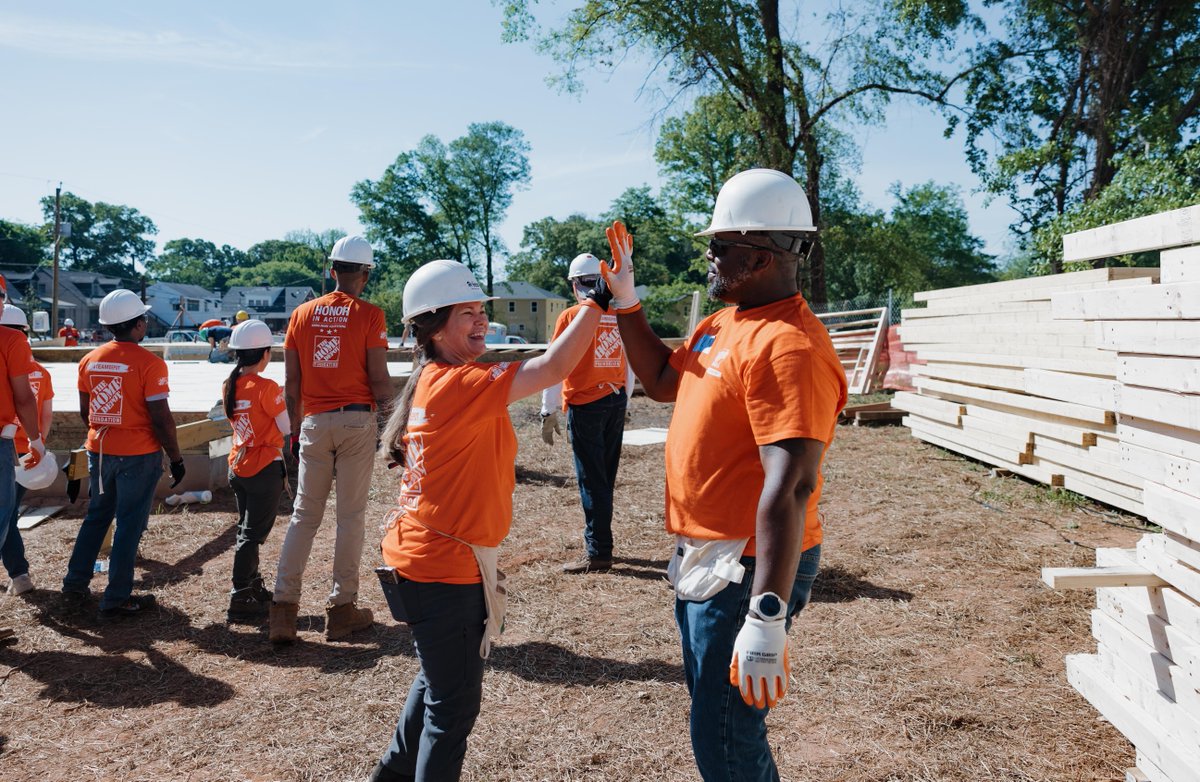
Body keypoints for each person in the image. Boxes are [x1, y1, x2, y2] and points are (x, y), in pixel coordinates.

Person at [603, 168, 848, 782]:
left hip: (745, 563)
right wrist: (627, 304)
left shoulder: (789, 346)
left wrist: (766, 613)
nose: (708, 258)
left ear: (761, 255)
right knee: (715, 718)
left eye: (719, 247)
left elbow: (792, 484)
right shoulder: (725, 323)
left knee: (724, 732)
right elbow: (662, 381)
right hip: (708, 550)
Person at [368, 259, 607, 782]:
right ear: (432, 326)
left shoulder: (437, 377)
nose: (480, 321)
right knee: (451, 712)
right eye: (467, 313)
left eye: (482, 311)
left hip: (425, 559)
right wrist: (598, 302)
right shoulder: (458, 382)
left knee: (438, 688)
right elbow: (552, 369)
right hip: (443, 569)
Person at [269, 235, 392, 643]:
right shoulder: (371, 316)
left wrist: (295, 428)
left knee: (304, 515)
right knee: (350, 517)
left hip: (314, 423)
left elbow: (291, 382)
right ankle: (341, 611)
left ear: (332, 269)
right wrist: (394, 425)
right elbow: (378, 378)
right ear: (366, 274)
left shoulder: (301, 315)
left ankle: (283, 611)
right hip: (357, 423)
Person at [62, 289, 186, 622]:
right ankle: (115, 598)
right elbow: (161, 418)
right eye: (143, 318)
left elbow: (86, 413)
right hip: (138, 456)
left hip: (100, 452)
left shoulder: (91, 360)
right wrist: (175, 457)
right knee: (129, 525)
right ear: (137, 325)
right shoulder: (150, 364)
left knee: (97, 517)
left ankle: (74, 585)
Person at [539, 252, 636, 574]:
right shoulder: (622, 312)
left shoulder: (572, 317)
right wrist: (626, 400)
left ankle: (598, 551)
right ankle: (602, 543)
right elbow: (631, 362)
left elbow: (554, 366)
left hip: (585, 405)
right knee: (605, 477)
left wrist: (547, 410)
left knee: (592, 480)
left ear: (574, 284)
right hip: (615, 399)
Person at [222, 319, 289, 623]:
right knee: (252, 534)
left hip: (238, 466)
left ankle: (251, 584)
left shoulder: (229, 385)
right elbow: (286, 427)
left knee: (245, 530)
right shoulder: (267, 387)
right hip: (263, 468)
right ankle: (241, 594)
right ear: (264, 353)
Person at [1, 306, 53, 596]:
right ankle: (19, 575)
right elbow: (45, 414)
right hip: (26, 452)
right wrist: (39, 444)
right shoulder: (41, 373)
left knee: (6, 517)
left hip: (7, 446)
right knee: (7, 515)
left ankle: (19, 575)